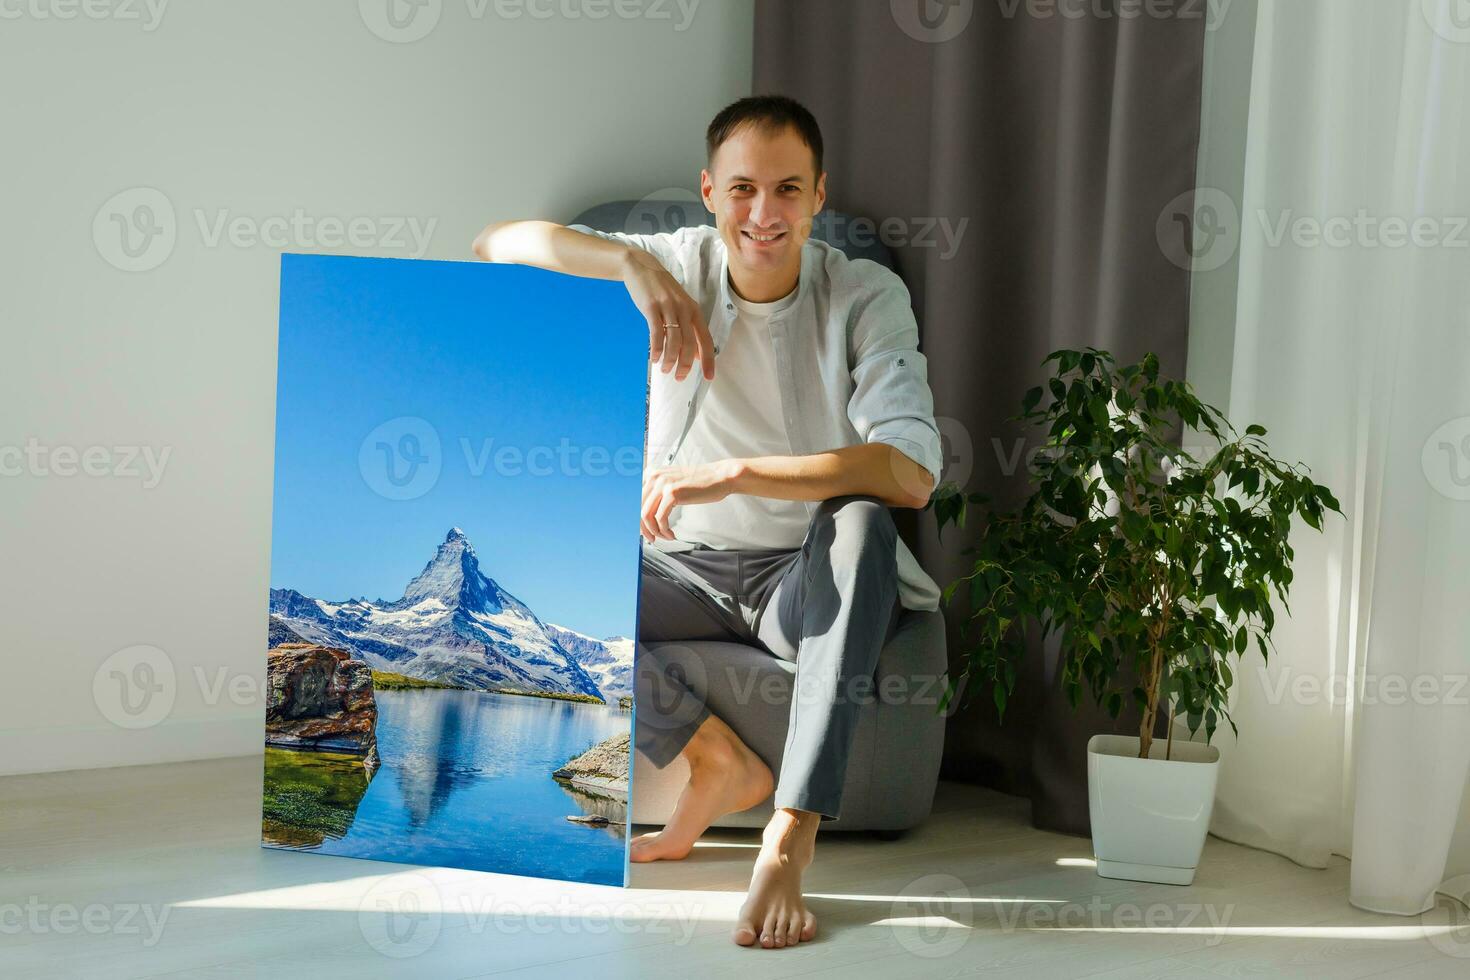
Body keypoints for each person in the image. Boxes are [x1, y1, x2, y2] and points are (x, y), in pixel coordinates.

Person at [471, 94, 942, 950]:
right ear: (709, 191)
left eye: (789, 190)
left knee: (867, 523)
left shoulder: (866, 294)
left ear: (818, 196)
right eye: (743, 189)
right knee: (522, 579)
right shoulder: (675, 260)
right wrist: (629, 266)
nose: (764, 214)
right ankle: (715, 758)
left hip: (801, 577)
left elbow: (909, 470)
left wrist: (734, 474)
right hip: (679, 568)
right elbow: (494, 245)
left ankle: (789, 835)